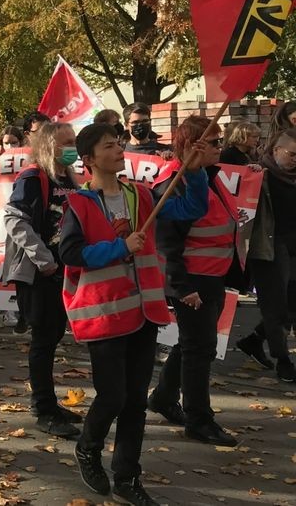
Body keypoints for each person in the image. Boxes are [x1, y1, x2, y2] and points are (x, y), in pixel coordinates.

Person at [59, 123, 208, 506]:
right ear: (89, 160)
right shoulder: (78, 204)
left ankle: (127, 477)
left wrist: (192, 171)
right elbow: (71, 255)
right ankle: (88, 447)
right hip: (105, 313)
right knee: (112, 396)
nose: (118, 149)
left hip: (144, 311)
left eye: (119, 143)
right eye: (109, 146)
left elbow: (192, 207)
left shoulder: (142, 194)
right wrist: (118, 246)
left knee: (136, 402)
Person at [146, 115, 240, 447]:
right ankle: (199, 420)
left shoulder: (204, 177)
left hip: (210, 277)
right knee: (201, 349)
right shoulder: (173, 184)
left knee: (191, 345)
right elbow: (166, 244)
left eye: (220, 141)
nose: (220, 147)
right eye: (215, 142)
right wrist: (182, 287)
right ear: (191, 145)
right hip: (194, 280)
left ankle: (163, 397)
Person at [2, 122, 82, 438]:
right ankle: (44, 408)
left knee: (51, 338)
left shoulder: (71, 180)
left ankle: (48, 402)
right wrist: (45, 261)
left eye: (74, 141)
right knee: (43, 341)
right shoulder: (34, 179)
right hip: (40, 273)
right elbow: (14, 220)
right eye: (67, 142)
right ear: (49, 146)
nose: (73, 147)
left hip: (63, 271)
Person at [239, 128, 296, 384]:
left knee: (291, 307)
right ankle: (282, 360)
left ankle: (252, 341)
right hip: (269, 248)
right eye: (292, 154)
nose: (295, 160)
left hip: (292, 247)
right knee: (276, 308)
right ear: (275, 151)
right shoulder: (258, 175)